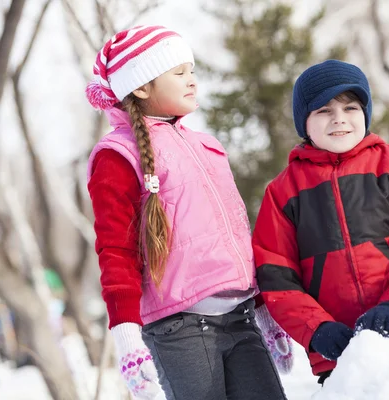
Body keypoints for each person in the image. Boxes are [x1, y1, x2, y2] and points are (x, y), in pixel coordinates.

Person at [86, 25, 290, 400]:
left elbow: (237, 238)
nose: (192, 80)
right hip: (180, 329)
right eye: (178, 73)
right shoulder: (118, 156)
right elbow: (116, 250)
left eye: (192, 70)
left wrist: (264, 312)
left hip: (241, 317)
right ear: (142, 86)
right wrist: (127, 337)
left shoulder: (207, 146)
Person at [252, 59, 389, 398]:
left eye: (350, 107)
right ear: (305, 123)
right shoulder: (282, 193)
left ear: (365, 113)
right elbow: (276, 278)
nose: (339, 117)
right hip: (344, 352)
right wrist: (316, 329)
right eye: (324, 110)